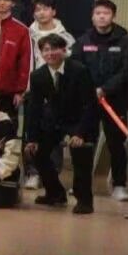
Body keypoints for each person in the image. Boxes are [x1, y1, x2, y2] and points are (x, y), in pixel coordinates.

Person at [22, 35, 97, 214]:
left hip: (79, 120)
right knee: (36, 152)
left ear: (64, 50)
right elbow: (34, 108)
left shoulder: (79, 70)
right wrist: (32, 138)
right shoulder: (38, 75)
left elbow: (90, 105)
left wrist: (80, 133)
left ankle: (84, 200)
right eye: (46, 50)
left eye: (54, 49)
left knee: (81, 154)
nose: (50, 53)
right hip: (53, 122)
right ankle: (55, 193)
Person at [76, 0, 128, 203]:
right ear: (92, 17)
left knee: (116, 144)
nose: (102, 17)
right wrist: (90, 90)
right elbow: (76, 68)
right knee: (84, 143)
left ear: (113, 16)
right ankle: (81, 185)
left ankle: (119, 185)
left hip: (115, 102)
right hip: (89, 101)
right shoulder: (83, 41)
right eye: (98, 13)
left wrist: (105, 89)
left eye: (106, 13)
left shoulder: (125, 41)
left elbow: (127, 71)